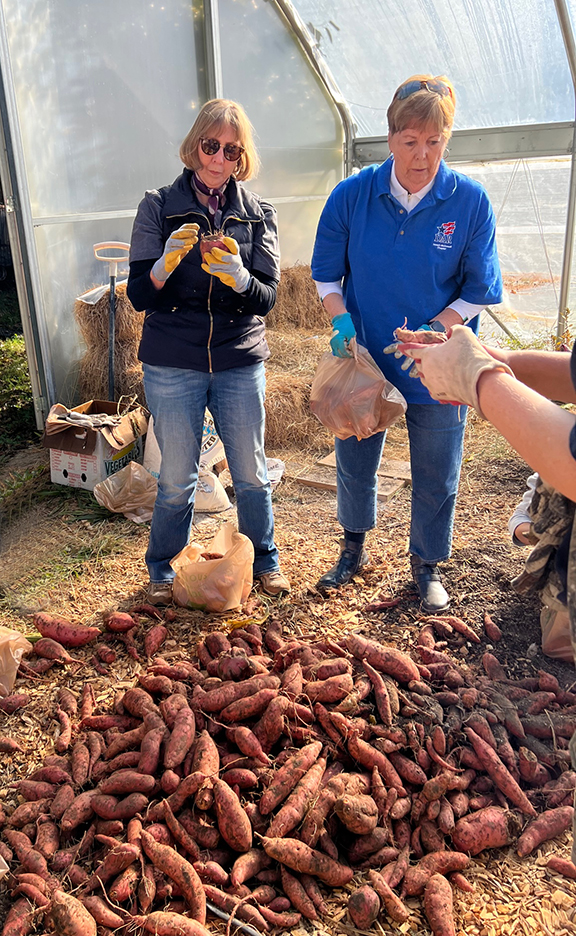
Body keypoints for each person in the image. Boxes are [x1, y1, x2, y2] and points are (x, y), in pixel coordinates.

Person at [310, 74, 502, 612]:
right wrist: (343, 322)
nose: (422, 156)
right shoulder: (353, 195)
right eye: (410, 141)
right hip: (368, 358)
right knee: (354, 454)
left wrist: (436, 332)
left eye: (434, 141)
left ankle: (427, 565)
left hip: (437, 363)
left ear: (447, 139)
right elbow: (326, 274)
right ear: (390, 138)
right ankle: (352, 548)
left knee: (437, 466)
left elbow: (479, 290)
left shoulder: (468, 202)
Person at [127, 98, 290, 605]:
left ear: (241, 158)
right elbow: (139, 295)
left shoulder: (258, 214)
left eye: (232, 150)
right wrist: (165, 264)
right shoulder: (157, 205)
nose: (220, 158)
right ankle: (163, 566)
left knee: (251, 470)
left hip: (238, 355)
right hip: (174, 356)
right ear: (195, 144)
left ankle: (264, 557)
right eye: (211, 145)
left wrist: (239, 276)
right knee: (177, 476)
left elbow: (267, 296)